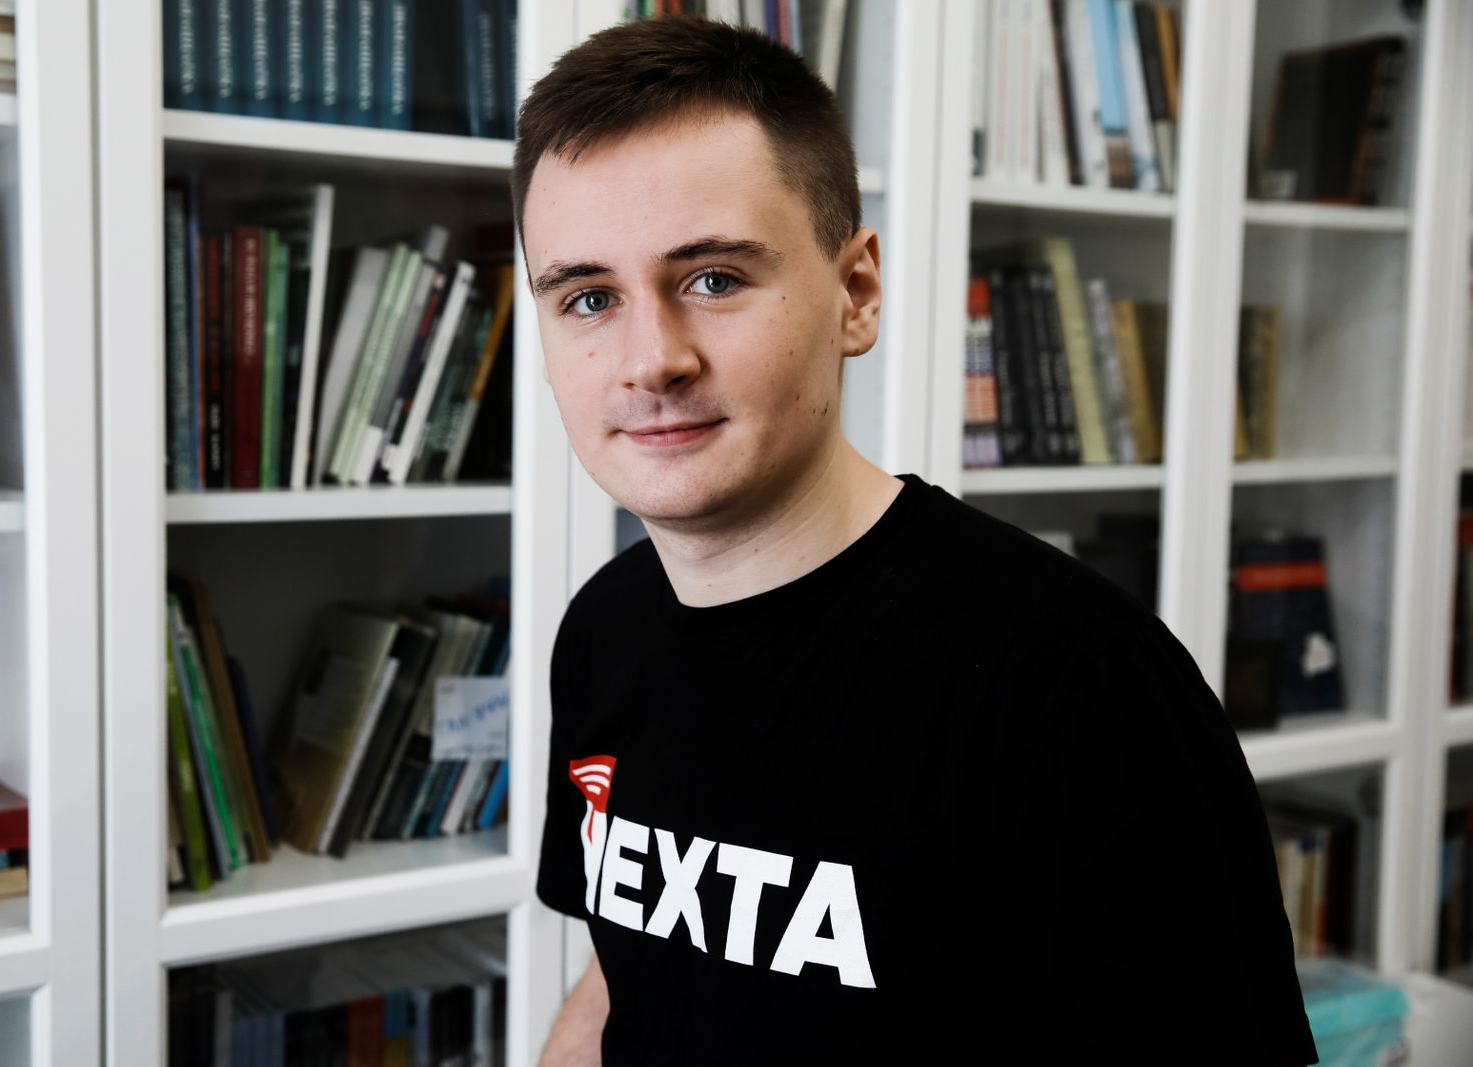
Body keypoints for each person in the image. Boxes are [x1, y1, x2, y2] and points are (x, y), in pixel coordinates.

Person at [513, 16, 1318, 1066]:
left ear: (856, 293)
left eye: (713, 279)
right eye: (588, 297)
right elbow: (631, 963)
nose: (650, 359)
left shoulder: (1084, 686)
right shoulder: (603, 628)